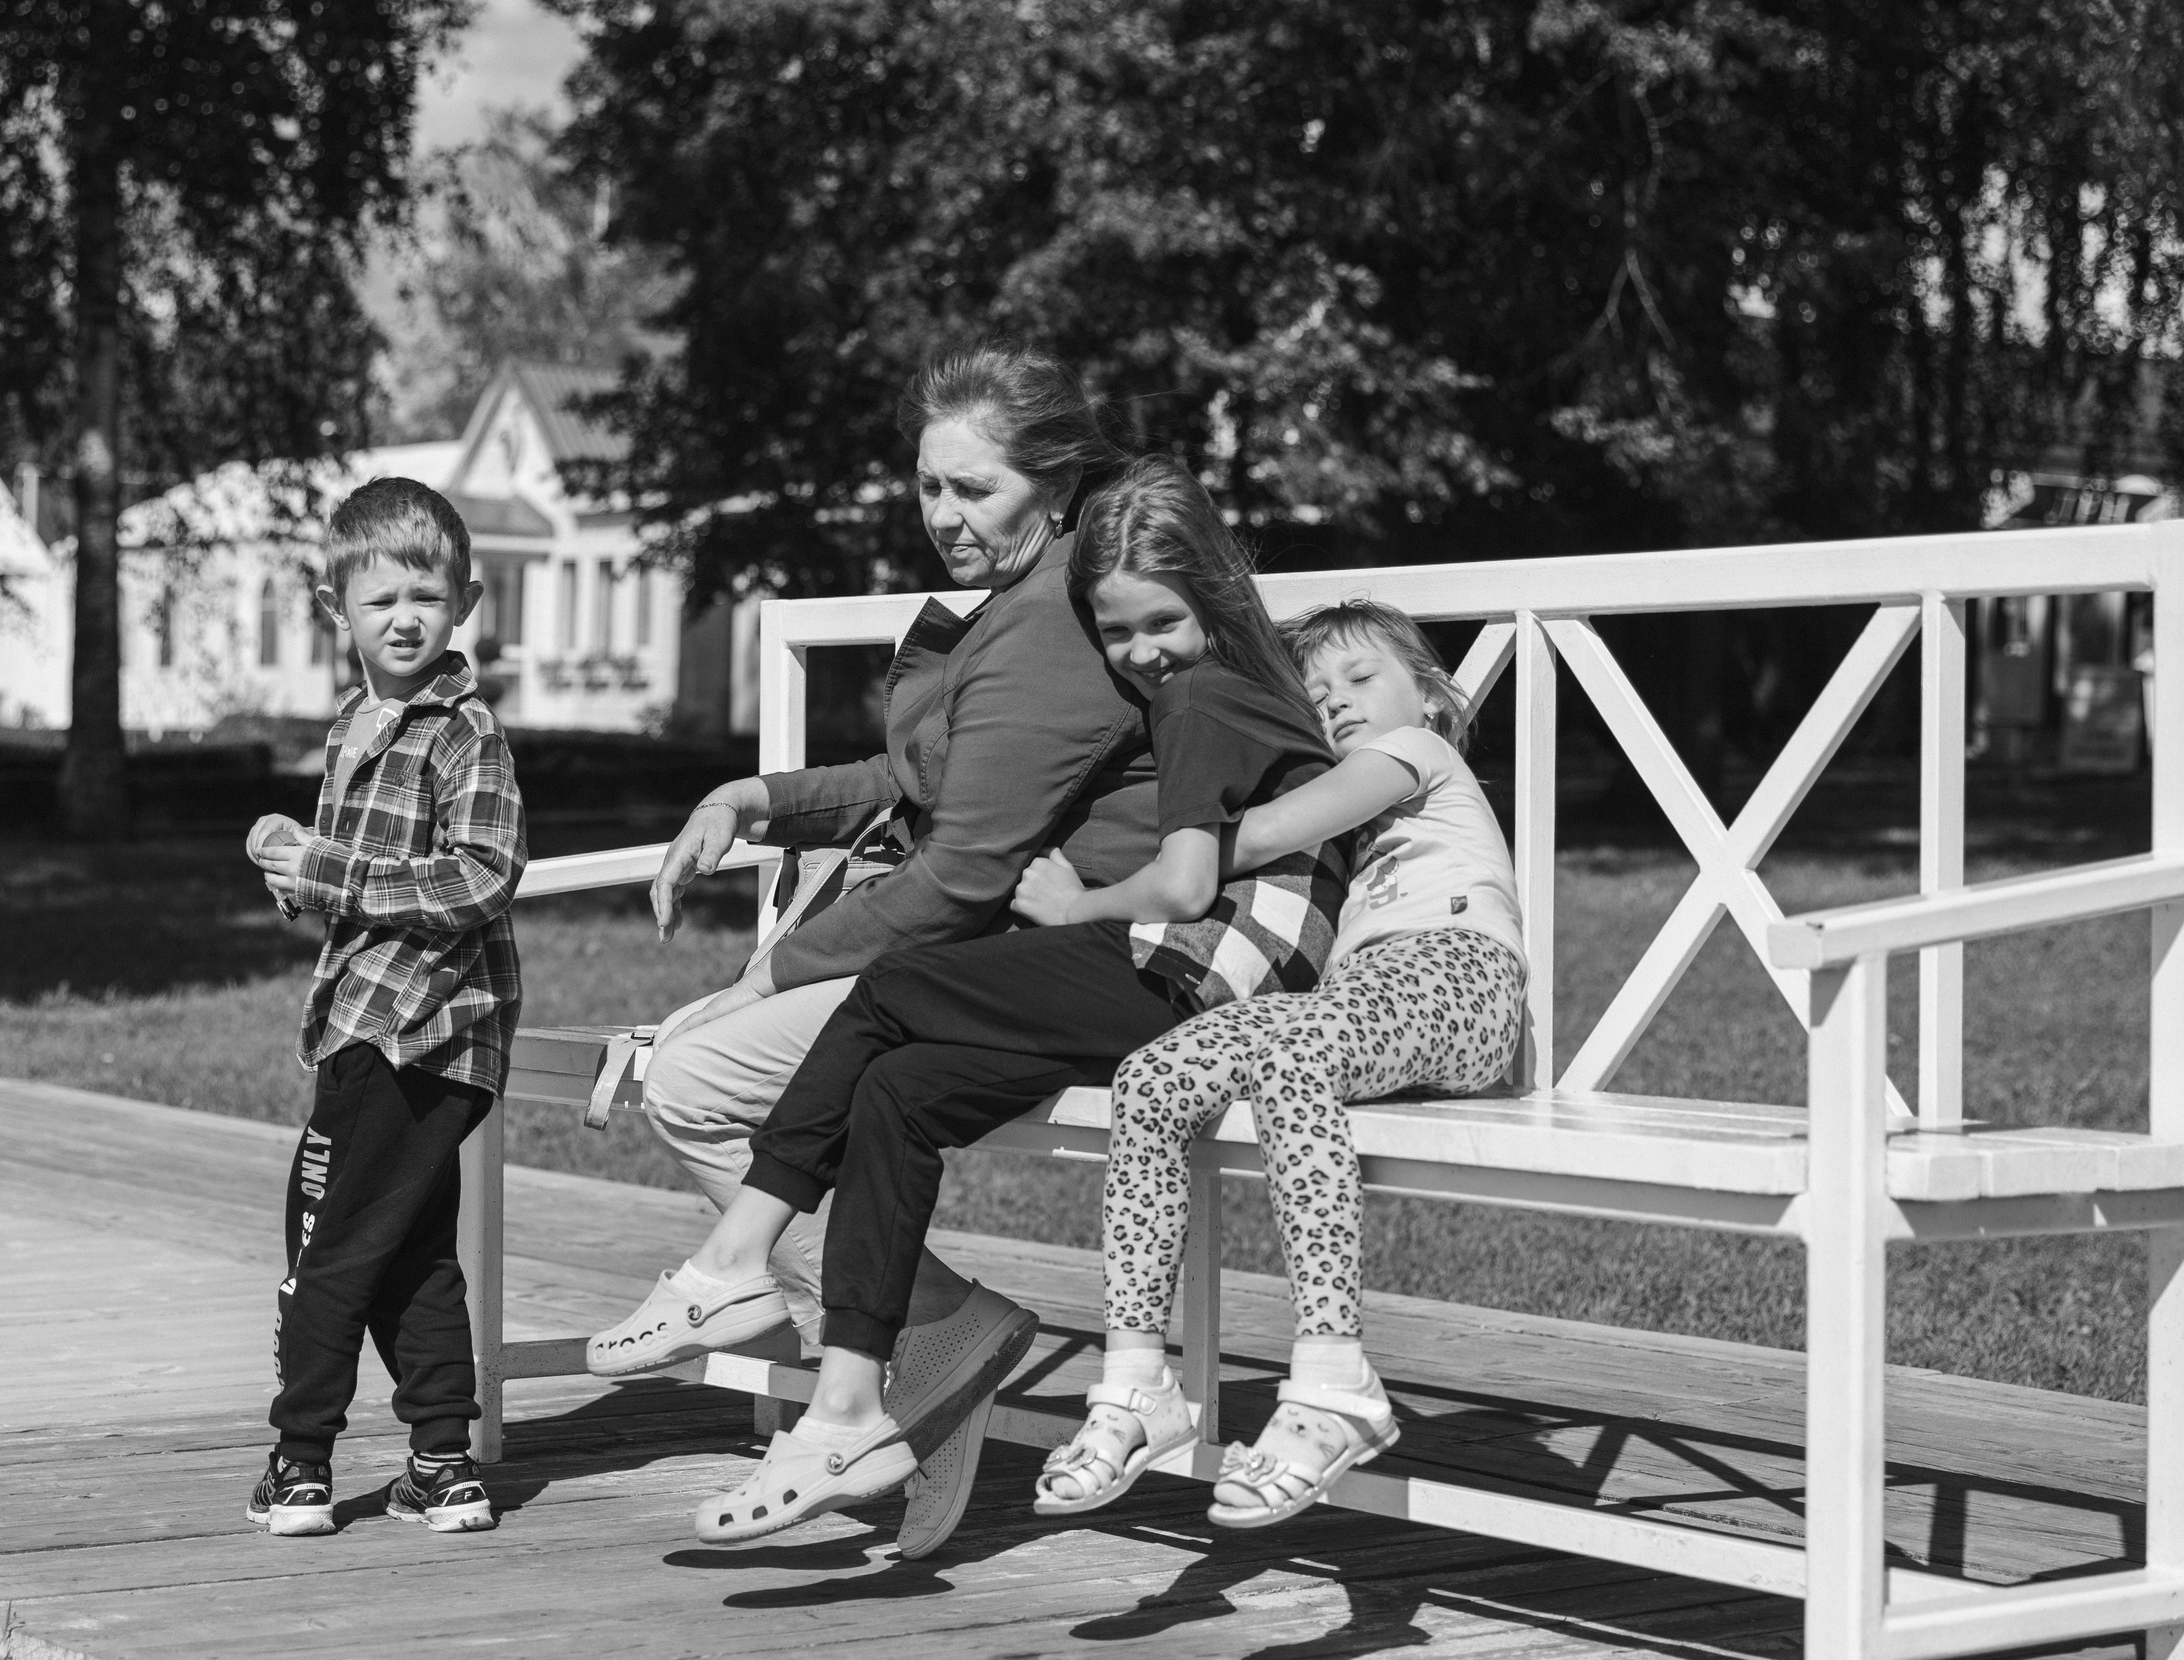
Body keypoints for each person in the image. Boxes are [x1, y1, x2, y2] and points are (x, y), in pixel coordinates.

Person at [636, 456, 1339, 1547]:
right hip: (1168, 983)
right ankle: (852, 1407)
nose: (1139, 653)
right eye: (1117, 634)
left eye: (1160, 621)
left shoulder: (1199, 697)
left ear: (1211, 591)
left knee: (891, 992)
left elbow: (1190, 885)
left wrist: (1072, 904)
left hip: (1195, 981)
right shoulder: (1202, 687)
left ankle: (738, 1269)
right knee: (901, 1092)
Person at [584, 344, 1155, 1558]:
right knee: (694, 1073)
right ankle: (929, 1336)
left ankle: (900, 1342)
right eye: (927, 487)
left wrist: (768, 971)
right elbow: (914, 777)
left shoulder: (1054, 618)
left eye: (973, 491)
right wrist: (759, 798)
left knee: (692, 1073)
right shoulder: (1002, 600)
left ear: (1054, 485)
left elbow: (960, 876)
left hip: (1055, 960)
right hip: (975, 951)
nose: (943, 517)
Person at [1030, 597, 1526, 1530]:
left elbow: (1249, 839)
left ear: (1429, 694)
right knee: (1151, 1076)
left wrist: (1085, 902)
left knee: (1292, 1053)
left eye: (1360, 678)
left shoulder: (1419, 754)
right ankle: (1138, 1382)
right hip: (1362, 1006)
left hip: (1458, 977)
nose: (1335, 702)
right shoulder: (1351, 820)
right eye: (1316, 691)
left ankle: (1336, 1379)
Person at [238, 477, 524, 1537]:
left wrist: (328, 875)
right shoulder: (355, 729)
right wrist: (297, 875)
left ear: (465, 601)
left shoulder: (464, 734)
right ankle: (443, 1466)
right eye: (379, 599)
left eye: (426, 594)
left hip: (419, 1029)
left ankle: (300, 1460)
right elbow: (347, 888)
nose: (405, 617)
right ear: (334, 607)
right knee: (411, 1248)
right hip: (364, 1011)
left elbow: (480, 878)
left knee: (328, 1244)